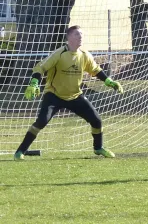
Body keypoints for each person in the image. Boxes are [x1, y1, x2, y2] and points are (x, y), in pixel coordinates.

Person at [14, 25, 123, 160]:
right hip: (54, 95)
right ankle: (20, 151)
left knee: (96, 121)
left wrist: (109, 81)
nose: (80, 37)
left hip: (75, 96)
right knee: (41, 121)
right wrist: (34, 83)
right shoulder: (59, 53)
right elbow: (40, 67)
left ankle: (98, 148)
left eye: (82, 34)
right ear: (69, 37)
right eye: (77, 34)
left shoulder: (84, 55)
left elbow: (95, 70)